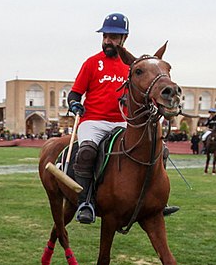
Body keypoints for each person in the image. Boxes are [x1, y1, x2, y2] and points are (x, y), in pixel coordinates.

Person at [67, 12, 179, 224]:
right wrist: (74, 104)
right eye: (106, 36)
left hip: (122, 122)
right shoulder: (92, 63)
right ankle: (86, 201)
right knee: (87, 151)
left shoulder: (134, 67)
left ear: (124, 39)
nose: (108, 41)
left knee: (160, 150)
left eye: (114, 37)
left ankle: (155, 201)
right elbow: (75, 92)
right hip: (94, 121)